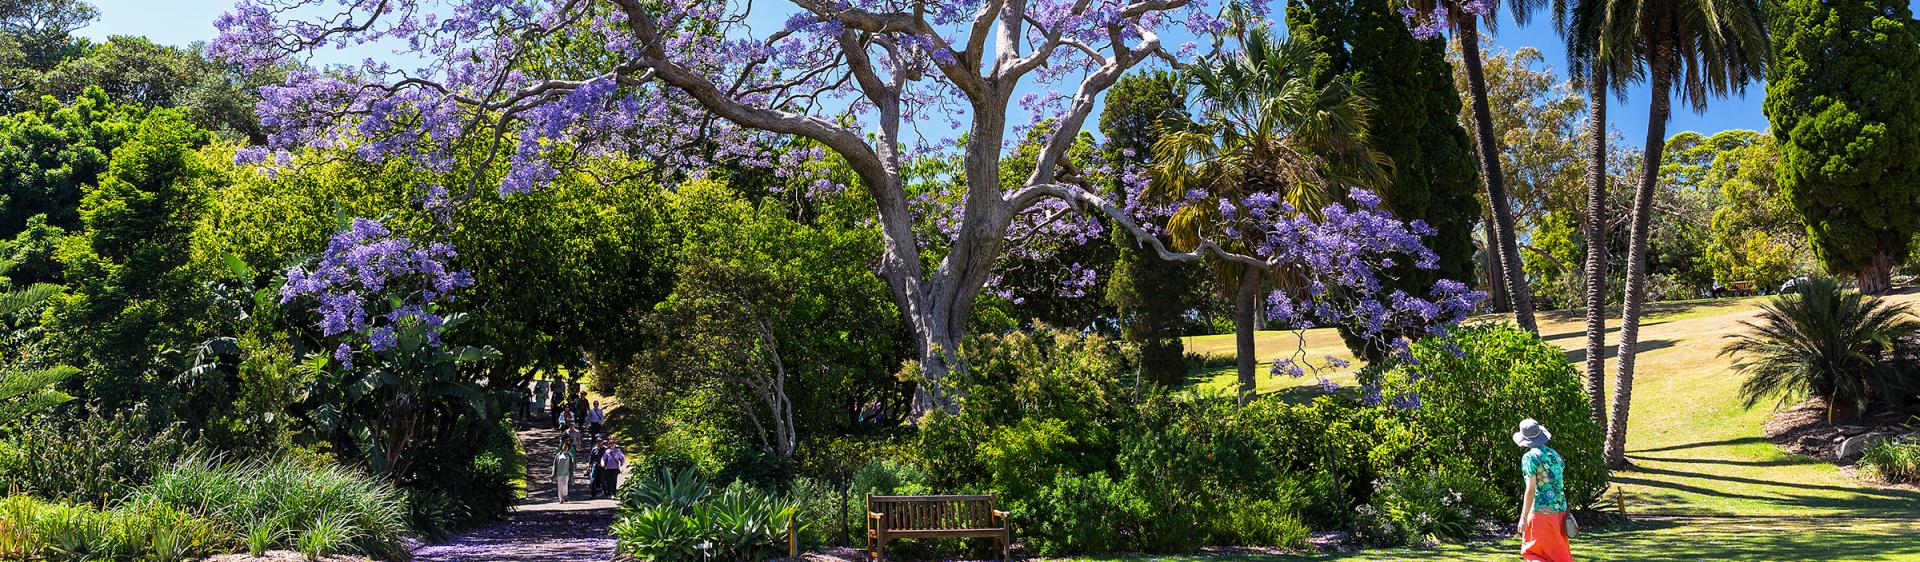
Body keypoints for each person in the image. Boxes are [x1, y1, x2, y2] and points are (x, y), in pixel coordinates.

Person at [1514, 418, 1573, 562]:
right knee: (1559, 556)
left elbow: (1531, 489)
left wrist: (1523, 517)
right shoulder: (1553, 454)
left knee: (1534, 554)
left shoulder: (1529, 458)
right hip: (1560, 511)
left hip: (1541, 512)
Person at [551, 437, 574, 503]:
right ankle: (561, 499)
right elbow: (555, 464)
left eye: (565, 447)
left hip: (566, 473)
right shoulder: (558, 455)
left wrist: (572, 472)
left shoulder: (569, 455)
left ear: (568, 448)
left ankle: (565, 495)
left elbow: (572, 464)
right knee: (559, 486)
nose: (564, 448)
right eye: (563, 447)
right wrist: (553, 473)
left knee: (564, 484)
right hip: (559, 473)